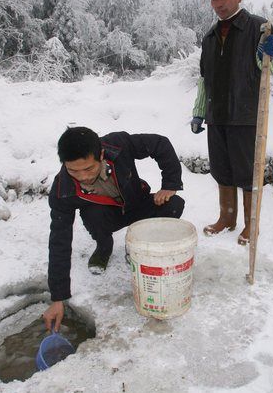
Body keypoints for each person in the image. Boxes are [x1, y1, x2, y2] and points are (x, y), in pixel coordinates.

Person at [42, 127, 184, 331]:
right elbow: (59, 241)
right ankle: (103, 246)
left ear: (100, 154)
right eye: (74, 170)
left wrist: (170, 183)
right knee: (93, 214)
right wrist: (58, 298)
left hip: (136, 204)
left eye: (89, 169)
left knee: (174, 204)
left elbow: (159, 144)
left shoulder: (118, 145)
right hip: (104, 217)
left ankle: (138, 246)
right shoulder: (62, 191)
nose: (82, 176)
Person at [190, 0, 273, 246]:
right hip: (217, 116)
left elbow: (271, 69)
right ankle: (227, 218)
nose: (219, 3)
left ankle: (250, 226)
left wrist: (270, 52)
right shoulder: (209, 37)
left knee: (247, 173)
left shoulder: (259, 27)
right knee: (222, 170)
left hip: (245, 115)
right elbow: (205, 79)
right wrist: (199, 111)